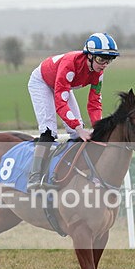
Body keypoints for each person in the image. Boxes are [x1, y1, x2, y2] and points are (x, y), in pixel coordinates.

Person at [26, 32, 119, 190]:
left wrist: (99, 129)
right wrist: (78, 127)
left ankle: (68, 172)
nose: (104, 64)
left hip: (61, 86)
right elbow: (60, 102)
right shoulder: (70, 64)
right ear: (89, 56)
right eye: (101, 59)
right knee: (49, 131)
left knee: (77, 134)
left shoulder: (98, 74)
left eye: (108, 61)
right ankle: (34, 176)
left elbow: (94, 103)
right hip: (42, 82)